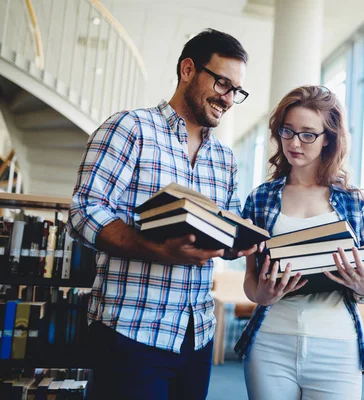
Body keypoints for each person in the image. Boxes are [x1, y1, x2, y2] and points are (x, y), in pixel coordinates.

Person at [68, 29, 256, 400]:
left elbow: (228, 227)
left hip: (196, 334)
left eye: (237, 91)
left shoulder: (225, 158)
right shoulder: (130, 128)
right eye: (222, 83)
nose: (229, 99)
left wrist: (241, 242)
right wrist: (158, 250)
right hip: (131, 333)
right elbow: (84, 212)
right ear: (188, 70)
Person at [235, 85, 364, 399]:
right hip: (270, 343)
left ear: (328, 138)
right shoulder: (260, 199)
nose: (294, 142)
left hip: (337, 346)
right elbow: (250, 282)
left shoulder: (352, 202)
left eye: (307, 134)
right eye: (287, 131)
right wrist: (260, 294)